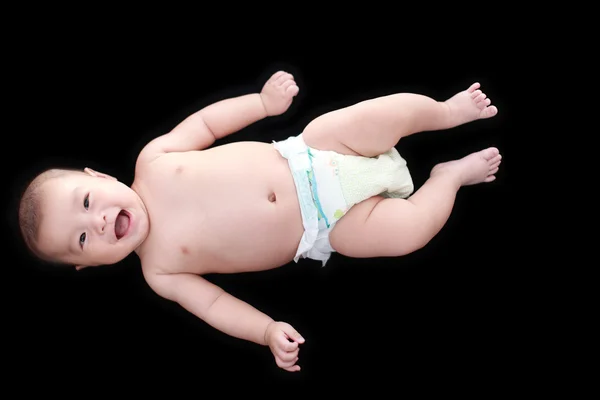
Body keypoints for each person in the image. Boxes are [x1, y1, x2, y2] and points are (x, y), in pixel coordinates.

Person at [17, 70, 501, 372]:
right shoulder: (160, 270)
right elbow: (213, 305)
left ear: (98, 175)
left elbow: (205, 125)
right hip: (329, 226)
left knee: (385, 112)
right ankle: (450, 177)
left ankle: (445, 112)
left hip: (314, 153)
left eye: (86, 202)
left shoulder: (154, 160)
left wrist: (263, 104)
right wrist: (265, 331)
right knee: (408, 232)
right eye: (82, 239)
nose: (98, 222)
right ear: (90, 266)